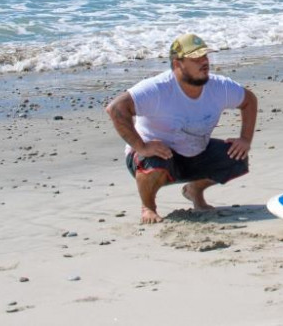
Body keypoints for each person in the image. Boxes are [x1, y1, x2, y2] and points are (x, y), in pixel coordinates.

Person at [106, 33, 258, 224]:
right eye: (196, 58)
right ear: (178, 64)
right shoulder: (157, 89)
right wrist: (141, 146)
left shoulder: (220, 87)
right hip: (155, 157)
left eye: (205, 56)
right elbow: (116, 108)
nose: (204, 62)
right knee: (153, 161)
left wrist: (245, 139)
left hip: (194, 153)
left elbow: (249, 101)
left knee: (237, 156)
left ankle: (194, 190)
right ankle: (148, 207)